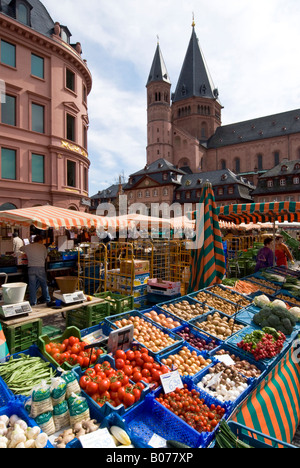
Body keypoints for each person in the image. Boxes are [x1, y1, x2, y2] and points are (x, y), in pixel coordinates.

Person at [21, 235, 51, 306]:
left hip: (31, 268)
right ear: (40, 240)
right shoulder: (43, 247)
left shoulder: (28, 246)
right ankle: (47, 300)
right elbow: (45, 257)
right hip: (40, 268)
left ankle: (33, 302)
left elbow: (20, 248)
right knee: (44, 285)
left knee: (32, 286)